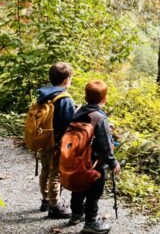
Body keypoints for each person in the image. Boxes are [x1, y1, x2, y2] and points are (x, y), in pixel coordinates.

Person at [68, 80, 120, 234]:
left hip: (78, 159)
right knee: (94, 193)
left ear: (85, 97)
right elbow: (104, 144)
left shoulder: (79, 111)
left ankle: (76, 215)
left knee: (79, 188)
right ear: (104, 99)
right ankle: (91, 222)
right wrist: (112, 162)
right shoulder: (100, 117)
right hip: (95, 163)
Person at [37, 62, 76, 218]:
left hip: (43, 140)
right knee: (56, 173)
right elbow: (69, 123)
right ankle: (55, 206)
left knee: (45, 170)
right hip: (57, 142)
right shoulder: (65, 98)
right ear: (66, 80)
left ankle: (45, 200)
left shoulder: (44, 94)